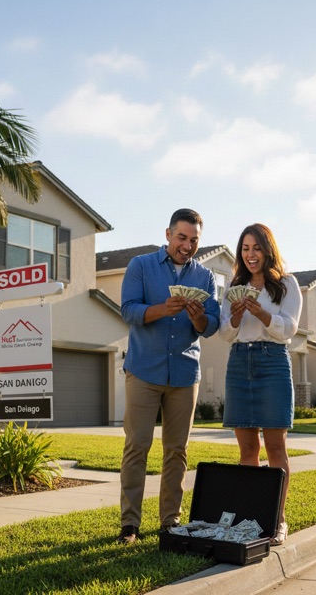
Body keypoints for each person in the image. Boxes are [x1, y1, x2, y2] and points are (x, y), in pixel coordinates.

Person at [116, 208, 220, 544]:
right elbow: (128, 310)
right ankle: (130, 524)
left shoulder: (204, 278)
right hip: (144, 369)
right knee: (137, 446)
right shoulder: (141, 266)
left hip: (185, 374)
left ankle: (170, 522)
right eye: (182, 237)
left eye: (194, 240)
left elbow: (211, 327)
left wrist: (198, 317)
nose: (187, 245)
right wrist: (164, 308)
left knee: (176, 450)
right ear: (168, 234)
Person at [219, 223, 302, 546]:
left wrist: (263, 315)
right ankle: (252, 519)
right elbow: (225, 333)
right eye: (245, 248)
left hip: (273, 362)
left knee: (276, 447)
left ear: (268, 250)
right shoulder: (234, 286)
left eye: (256, 248)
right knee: (247, 450)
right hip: (239, 363)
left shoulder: (286, 285)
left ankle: (277, 520)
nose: (250, 255)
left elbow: (289, 330)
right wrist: (238, 315)